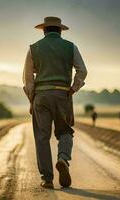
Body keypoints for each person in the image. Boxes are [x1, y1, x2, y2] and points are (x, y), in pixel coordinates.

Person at [23, 16, 87, 189]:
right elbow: (82, 70)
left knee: (42, 137)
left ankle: (47, 179)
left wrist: (31, 98)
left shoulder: (33, 49)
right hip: (62, 94)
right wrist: (73, 88)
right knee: (65, 131)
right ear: (60, 30)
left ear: (44, 30)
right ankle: (63, 158)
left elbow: (28, 79)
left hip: (41, 96)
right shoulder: (71, 47)